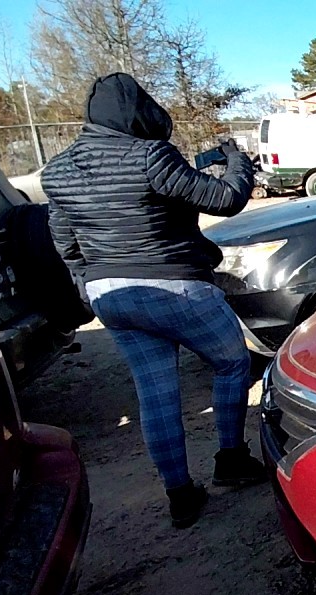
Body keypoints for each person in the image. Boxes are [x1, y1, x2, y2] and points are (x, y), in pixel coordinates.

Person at [41, 73, 264, 529]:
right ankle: (232, 460)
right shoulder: (149, 155)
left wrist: (87, 285)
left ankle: (180, 494)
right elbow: (224, 199)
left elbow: (64, 240)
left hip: (112, 296)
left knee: (156, 393)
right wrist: (238, 161)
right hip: (175, 286)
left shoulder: (57, 171)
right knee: (231, 363)